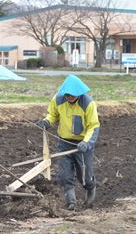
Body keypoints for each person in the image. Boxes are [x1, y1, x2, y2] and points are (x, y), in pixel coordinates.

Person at [37, 74, 100, 210]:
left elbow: (93, 126)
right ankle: (71, 201)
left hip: (82, 144)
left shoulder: (88, 103)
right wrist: (47, 122)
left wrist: (87, 143)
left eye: (72, 94)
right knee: (65, 175)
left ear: (79, 93)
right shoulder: (58, 99)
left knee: (84, 176)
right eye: (67, 94)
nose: (69, 97)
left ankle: (90, 187)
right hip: (64, 142)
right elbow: (53, 115)